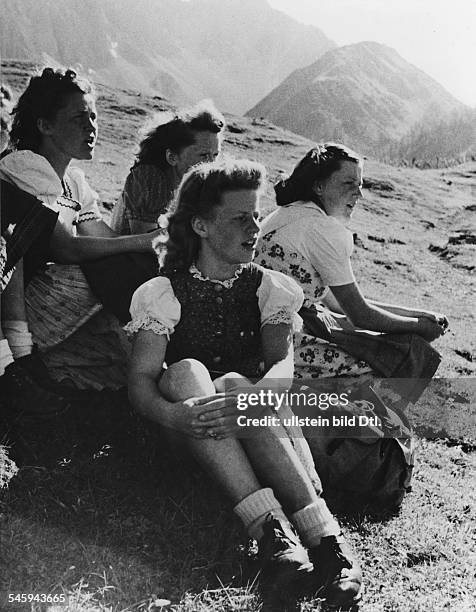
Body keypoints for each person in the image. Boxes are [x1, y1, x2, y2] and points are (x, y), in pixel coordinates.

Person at [127, 159, 362, 608]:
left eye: (256, 216)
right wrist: (174, 413)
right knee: (184, 371)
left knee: (238, 382)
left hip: (260, 433)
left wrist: (251, 397)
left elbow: (282, 367)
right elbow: (139, 381)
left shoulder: (269, 288)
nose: (254, 228)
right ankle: (274, 535)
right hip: (187, 433)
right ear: (200, 225)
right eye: (240, 218)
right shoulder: (162, 292)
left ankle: (323, 544)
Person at [0, 67, 161, 392]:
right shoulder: (24, 168)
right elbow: (66, 247)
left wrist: (149, 244)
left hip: (51, 298)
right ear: (45, 125)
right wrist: (142, 241)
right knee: (115, 268)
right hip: (17, 303)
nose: (92, 128)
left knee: (132, 267)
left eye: (94, 117)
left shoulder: (73, 181)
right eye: (79, 119)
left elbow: (101, 237)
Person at [256, 144, 446, 398]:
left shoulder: (290, 212)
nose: (359, 194)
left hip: (262, 325)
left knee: (380, 347)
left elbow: (337, 302)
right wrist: (420, 328)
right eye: (348, 184)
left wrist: (418, 314)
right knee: (381, 367)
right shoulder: (320, 228)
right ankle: (358, 436)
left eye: (360, 184)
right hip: (276, 339)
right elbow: (360, 315)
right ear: (319, 186)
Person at [110, 99, 225, 235]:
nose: (211, 164)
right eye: (203, 155)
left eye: (215, 155)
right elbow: (144, 242)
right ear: (172, 157)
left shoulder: (193, 184)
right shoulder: (150, 179)